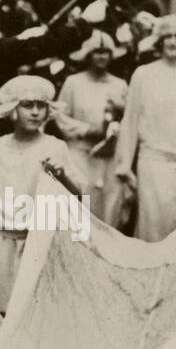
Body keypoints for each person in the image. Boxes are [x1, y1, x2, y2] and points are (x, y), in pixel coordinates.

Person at [0, 75, 82, 315]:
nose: (35, 112)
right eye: (27, 105)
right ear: (12, 108)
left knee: (34, 309)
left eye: (41, 105)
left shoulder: (54, 147)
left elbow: (78, 193)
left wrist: (61, 174)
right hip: (2, 241)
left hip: (37, 243)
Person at [115, 14, 176, 241]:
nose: (174, 42)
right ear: (159, 40)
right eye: (168, 37)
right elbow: (130, 121)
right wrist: (124, 165)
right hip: (155, 164)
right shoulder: (144, 74)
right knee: (155, 231)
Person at [56, 29, 128, 226]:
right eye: (96, 52)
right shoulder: (74, 83)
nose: (101, 57)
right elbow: (60, 115)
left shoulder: (119, 85)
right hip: (81, 154)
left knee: (109, 210)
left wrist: (114, 129)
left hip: (109, 156)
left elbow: (128, 119)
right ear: (88, 55)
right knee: (82, 206)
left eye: (105, 52)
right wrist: (87, 130)